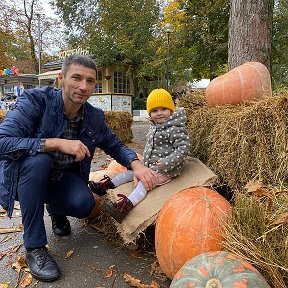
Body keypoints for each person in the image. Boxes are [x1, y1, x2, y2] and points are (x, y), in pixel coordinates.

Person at [0, 55, 156, 282]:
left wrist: (136, 164)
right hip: (24, 179)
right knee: (39, 161)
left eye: (90, 81)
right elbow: (3, 141)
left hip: (59, 177)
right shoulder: (35, 101)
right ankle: (34, 247)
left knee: (85, 204)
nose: (83, 86)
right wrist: (54, 143)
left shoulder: (93, 117)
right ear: (61, 79)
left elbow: (115, 145)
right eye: (76, 78)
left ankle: (56, 211)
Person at [89, 88, 190, 223]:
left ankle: (125, 207)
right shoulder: (155, 126)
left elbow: (183, 149)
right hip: (150, 165)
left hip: (165, 169)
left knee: (144, 183)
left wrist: (167, 162)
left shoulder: (176, 128)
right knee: (130, 173)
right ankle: (107, 186)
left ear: (171, 110)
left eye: (163, 109)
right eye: (154, 111)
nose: (159, 113)